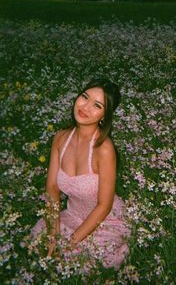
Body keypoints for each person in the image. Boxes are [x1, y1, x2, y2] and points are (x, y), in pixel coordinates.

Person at [32, 78, 131, 269]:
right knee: (40, 242)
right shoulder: (60, 138)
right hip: (73, 214)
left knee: (78, 263)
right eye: (84, 97)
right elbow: (52, 188)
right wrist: (53, 234)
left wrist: (70, 242)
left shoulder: (104, 148)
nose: (85, 107)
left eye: (97, 105)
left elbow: (104, 205)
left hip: (105, 220)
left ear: (104, 115)